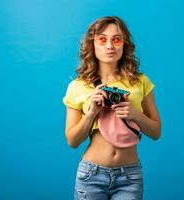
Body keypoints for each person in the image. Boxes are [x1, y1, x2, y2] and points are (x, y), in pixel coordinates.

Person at [63, 16, 161, 200]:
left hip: (129, 176)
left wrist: (134, 114)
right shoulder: (78, 86)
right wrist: (91, 112)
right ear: (93, 44)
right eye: (102, 39)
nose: (110, 46)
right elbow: (72, 141)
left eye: (116, 39)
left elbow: (156, 132)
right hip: (91, 175)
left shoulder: (141, 81)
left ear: (124, 44)